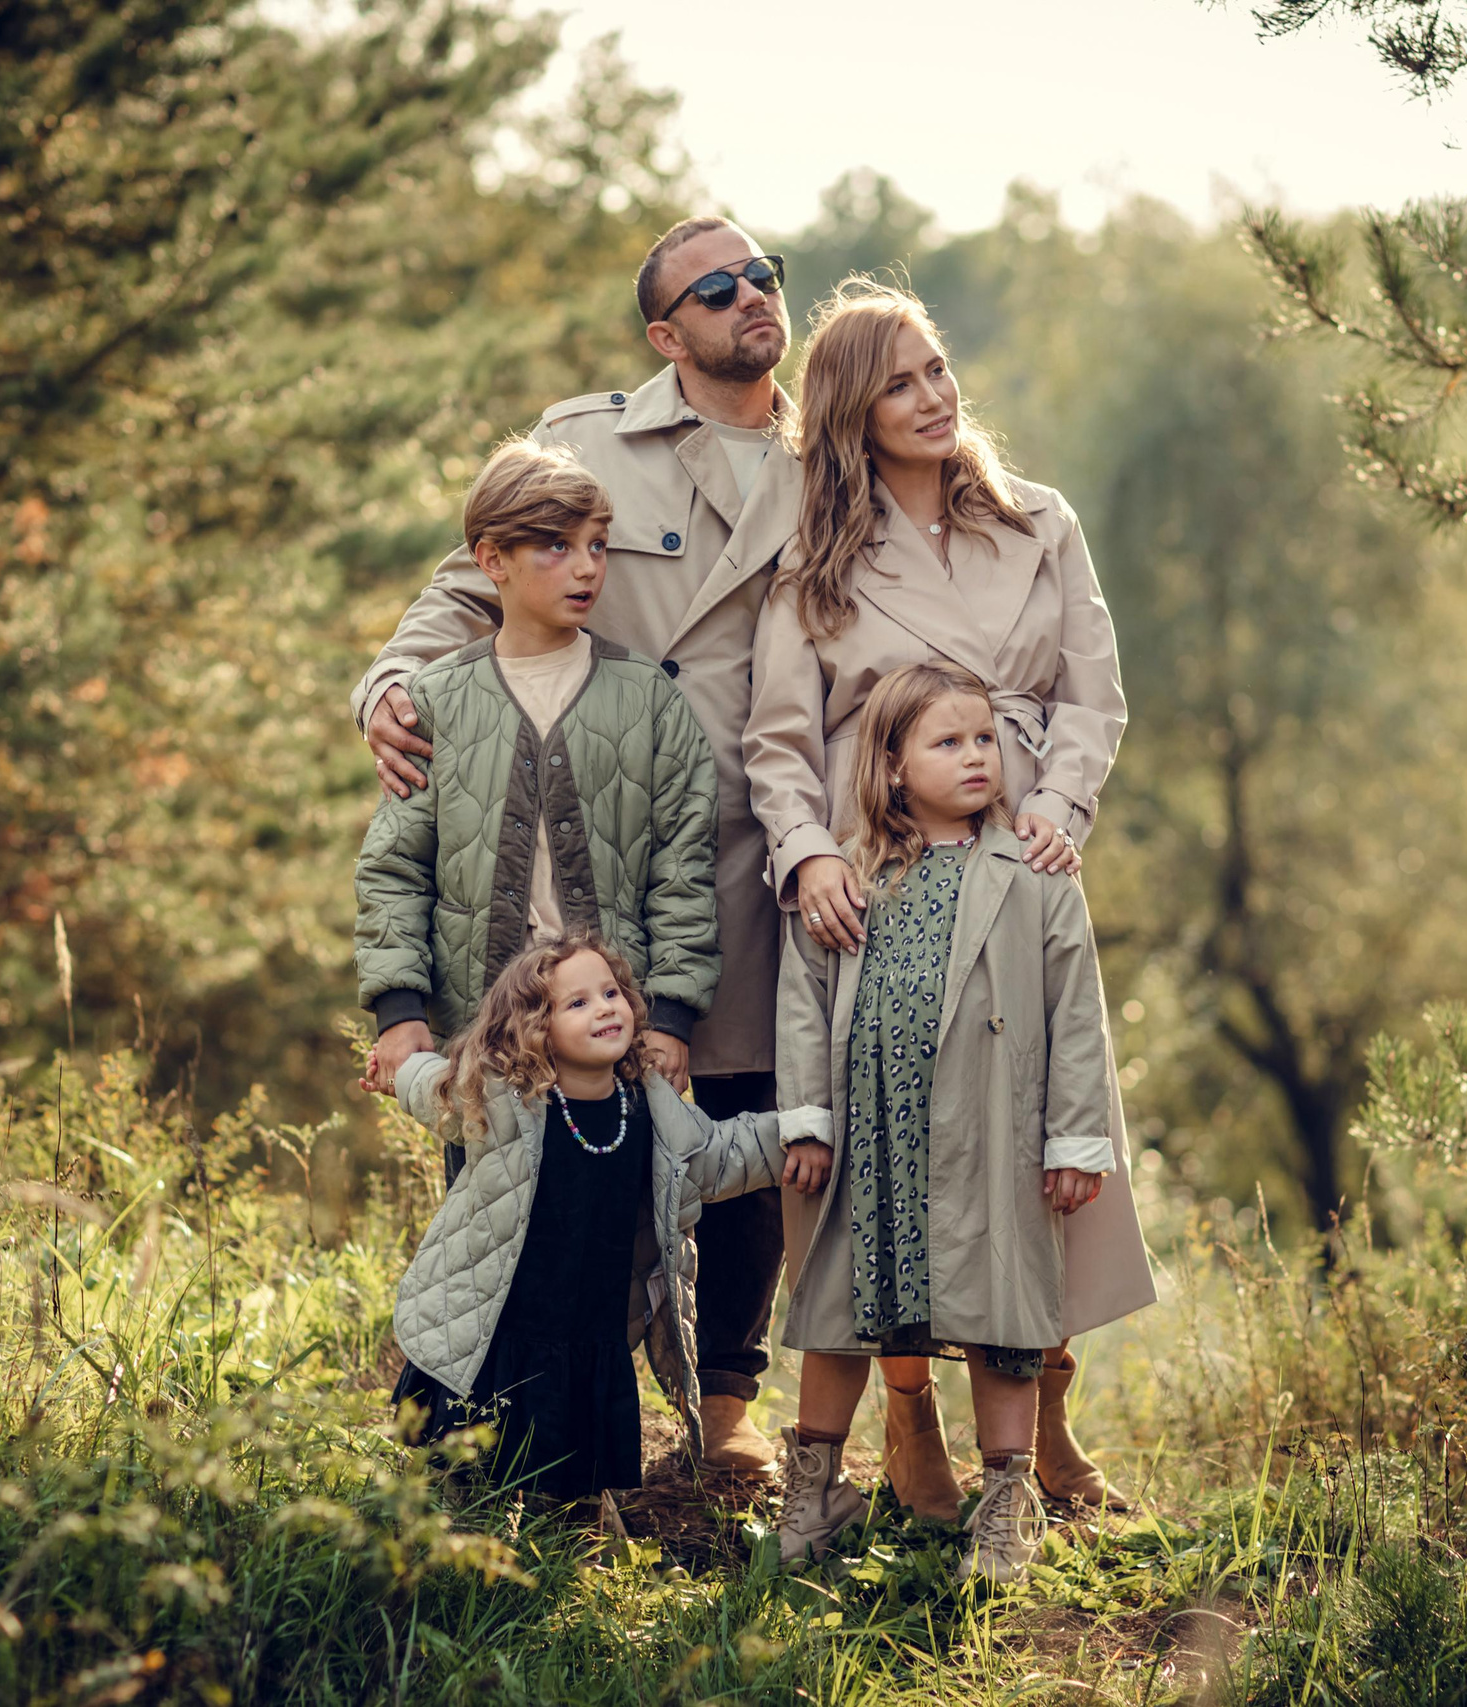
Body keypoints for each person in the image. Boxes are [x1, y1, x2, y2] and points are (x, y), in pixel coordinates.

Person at [352, 217, 799, 1475]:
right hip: (595, 835)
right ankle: (512, 1407)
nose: (752, 295)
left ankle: (725, 1403)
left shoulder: (829, 456)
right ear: (666, 333)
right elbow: (463, 586)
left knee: (735, 1111)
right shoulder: (590, 442)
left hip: (754, 839)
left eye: (764, 274)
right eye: (717, 287)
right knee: (531, 1146)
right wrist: (387, 689)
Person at [745, 279, 1156, 1517]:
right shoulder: (816, 559)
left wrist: (1058, 807)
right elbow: (777, 738)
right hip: (877, 860)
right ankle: (908, 1412)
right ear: (850, 415)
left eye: (936, 368)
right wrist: (808, 854)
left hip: (1022, 856)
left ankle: (1043, 1426)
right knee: (892, 1139)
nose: (932, 397)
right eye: (898, 385)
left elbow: (1093, 694)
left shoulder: (1040, 520)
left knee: (1030, 1129)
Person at [771, 662, 1138, 1584]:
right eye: (949, 742)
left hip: (992, 1136)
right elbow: (803, 1001)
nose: (977, 755)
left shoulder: (1035, 870)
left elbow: (1079, 1017)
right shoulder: (846, 874)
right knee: (843, 1306)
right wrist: (808, 1120)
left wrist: (1074, 1137)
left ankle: (1006, 1505)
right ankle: (813, 1496)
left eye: (985, 738)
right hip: (874, 1139)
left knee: (1004, 1312)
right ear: (893, 764)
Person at [386, 932, 827, 1500]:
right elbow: (434, 1088)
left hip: (594, 1324)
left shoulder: (649, 1106)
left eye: (611, 993)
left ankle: (572, 1528)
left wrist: (795, 1134)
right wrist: (393, 1073)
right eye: (578, 1002)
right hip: (502, 1322)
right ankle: (457, 1518)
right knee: (469, 1467)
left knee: (573, 1474)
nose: (604, 1008)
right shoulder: (502, 1098)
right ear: (534, 1026)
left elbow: (719, 1155)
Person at [353, 440, 718, 1111]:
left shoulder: (648, 699)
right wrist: (398, 1010)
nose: (586, 567)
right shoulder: (436, 702)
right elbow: (395, 870)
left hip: (619, 1042)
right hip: (480, 1042)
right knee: (492, 1184)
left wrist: (671, 1016)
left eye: (597, 545)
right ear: (492, 559)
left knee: (623, 1182)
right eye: (557, 546)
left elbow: (683, 871)